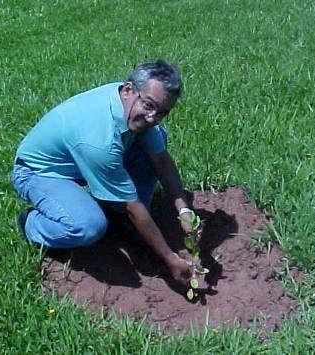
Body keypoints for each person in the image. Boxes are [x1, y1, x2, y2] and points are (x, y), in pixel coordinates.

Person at [10, 60, 195, 286]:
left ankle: (120, 218)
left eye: (162, 112)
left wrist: (184, 210)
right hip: (39, 172)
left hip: (81, 161)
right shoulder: (99, 140)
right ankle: (30, 224)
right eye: (149, 106)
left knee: (154, 145)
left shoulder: (132, 104)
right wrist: (170, 259)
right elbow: (132, 205)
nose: (152, 118)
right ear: (128, 90)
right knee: (89, 227)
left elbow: (161, 161)